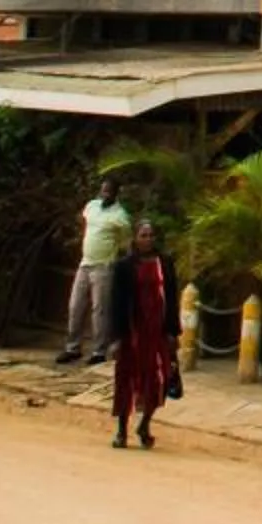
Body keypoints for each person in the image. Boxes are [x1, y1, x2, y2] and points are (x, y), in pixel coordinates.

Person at [107, 219, 179, 450]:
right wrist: (117, 337)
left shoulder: (165, 263)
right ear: (135, 238)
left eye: (151, 235)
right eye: (143, 235)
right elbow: (116, 303)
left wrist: (172, 331)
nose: (147, 240)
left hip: (157, 331)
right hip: (133, 332)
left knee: (161, 379)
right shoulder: (124, 266)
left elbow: (172, 298)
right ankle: (121, 431)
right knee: (127, 379)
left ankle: (145, 424)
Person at [59, 176, 131, 364]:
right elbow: (86, 225)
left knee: (100, 310)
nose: (105, 193)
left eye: (109, 191)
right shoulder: (91, 206)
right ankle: (72, 347)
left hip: (103, 265)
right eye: (103, 190)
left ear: (116, 193)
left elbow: (125, 241)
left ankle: (99, 351)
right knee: (75, 306)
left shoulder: (120, 216)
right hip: (85, 263)